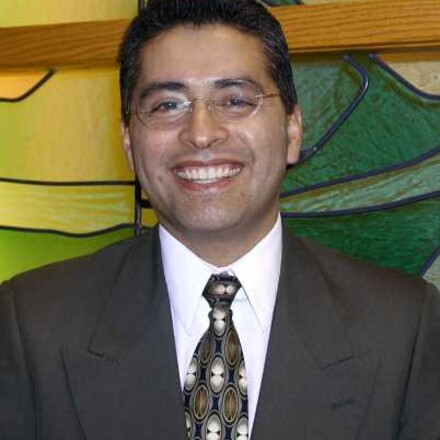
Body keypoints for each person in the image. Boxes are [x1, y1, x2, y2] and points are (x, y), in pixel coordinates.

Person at [1, 0, 439, 439]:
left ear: (292, 129)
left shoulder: (405, 328)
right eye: (167, 105)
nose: (201, 133)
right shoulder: (32, 325)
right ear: (130, 144)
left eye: (234, 100)